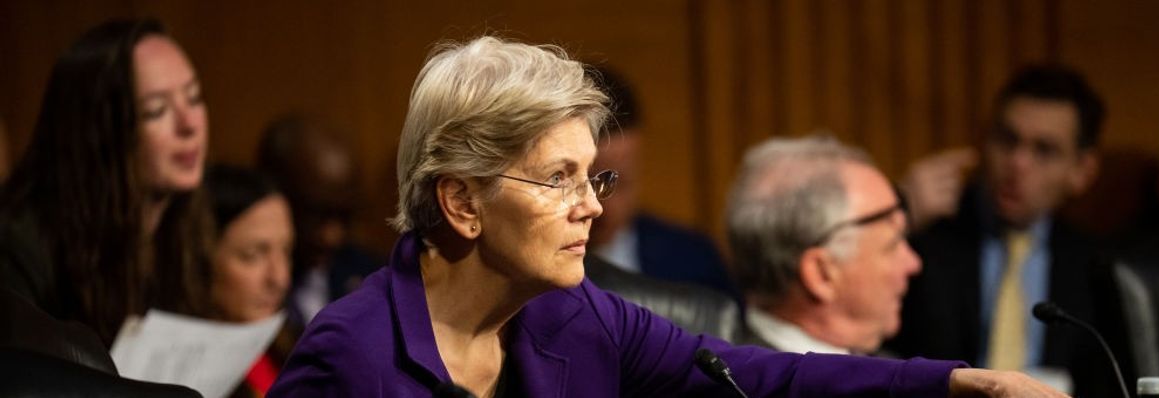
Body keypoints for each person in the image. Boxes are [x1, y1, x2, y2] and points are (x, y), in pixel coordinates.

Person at [269, 36, 1069, 398]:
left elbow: (768, 374)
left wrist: (960, 386)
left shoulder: (575, 316)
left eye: (594, 175)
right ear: (462, 202)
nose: (592, 205)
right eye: (558, 179)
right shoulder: (352, 358)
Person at [890, 65, 1127, 396]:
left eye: (1044, 150)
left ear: (1082, 172)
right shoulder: (926, 240)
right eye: (1007, 139)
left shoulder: (1098, 266)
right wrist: (898, 215)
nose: (1018, 164)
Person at [0, 18, 209, 346]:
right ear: (99, 133)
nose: (189, 125)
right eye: (157, 110)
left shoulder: (187, 224)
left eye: (194, 97)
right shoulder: (20, 248)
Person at [726, 136, 921, 356]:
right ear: (822, 274)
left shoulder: (893, 372)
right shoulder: (740, 386)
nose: (914, 264)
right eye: (892, 245)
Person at [587, 67, 738, 298]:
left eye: (622, 183)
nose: (603, 207)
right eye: (587, 183)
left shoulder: (693, 259)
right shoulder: (526, 270)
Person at [257, 115, 381, 325]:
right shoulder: (250, 283)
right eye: (315, 215)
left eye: (344, 215)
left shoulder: (372, 277)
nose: (331, 236)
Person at [203, 164, 296, 397]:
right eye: (252, 255)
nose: (280, 278)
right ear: (202, 257)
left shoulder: (295, 346)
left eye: (286, 251)